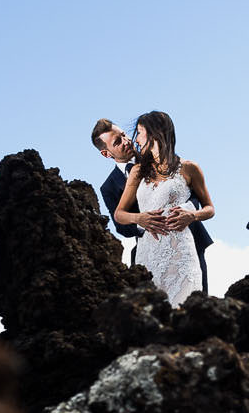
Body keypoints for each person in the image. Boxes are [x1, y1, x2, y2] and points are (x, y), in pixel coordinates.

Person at [116, 110, 216, 306]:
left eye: (140, 132)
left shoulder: (189, 168)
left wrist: (192, 216)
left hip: (182, 257)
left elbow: (210, 208)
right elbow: (119, 214)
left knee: (182, 317)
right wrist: (139, 218)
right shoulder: (137, 172)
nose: (136, 139)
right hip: (148, 255)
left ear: (154, 134)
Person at [90, 118, 139, 265]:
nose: (126, 141)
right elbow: (121, 227)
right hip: (149, 250)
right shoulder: (108, 187)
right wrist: (144, 222)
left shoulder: (157, 157)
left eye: (124, 135)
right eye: (117, 142)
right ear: (106, 154)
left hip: (190, 241)